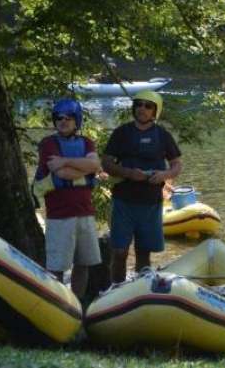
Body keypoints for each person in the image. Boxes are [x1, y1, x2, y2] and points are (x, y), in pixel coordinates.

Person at [102, 90, 182, 283]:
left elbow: (177, 164)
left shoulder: (163, 135)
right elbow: (106, 162)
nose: (142, 109)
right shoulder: (121, 132)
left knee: (144, 253)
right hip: (123, 201)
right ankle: (117, 291)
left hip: (151, 203)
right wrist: (129, 173)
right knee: (119, 252)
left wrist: (164, 175)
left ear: (155, 111)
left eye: (148, 106)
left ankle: (141, 290)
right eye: (138, 104)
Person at [32, 98, 102, 297]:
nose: (63, 121)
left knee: (83, 263)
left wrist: (66, 161)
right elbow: (61, 173)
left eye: (69, 118)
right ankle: (57, 303)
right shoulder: (48, 144)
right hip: (59, 215)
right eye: (59, 118)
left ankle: (77, 303)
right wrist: (84, 167)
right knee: (57, 267)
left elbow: (95, 165)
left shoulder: (87, 142)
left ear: (76, 120)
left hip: (85, 213)